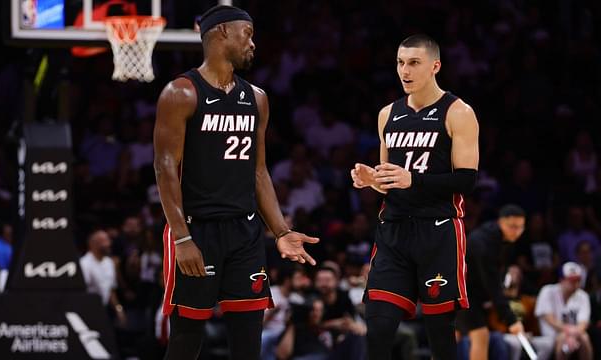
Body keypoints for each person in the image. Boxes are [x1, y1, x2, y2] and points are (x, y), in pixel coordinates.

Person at [153, 5, 319, 360]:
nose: (253, 43)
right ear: (222, 32)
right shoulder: (181, 92)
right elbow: (164, 168)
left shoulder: (257, 98)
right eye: (248, 33)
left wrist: (282, 230)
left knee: (248, 343)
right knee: (186, 339)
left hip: (245, 233)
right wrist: (181, 238)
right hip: (197, 230)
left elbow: (259, 171)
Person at [350, 34, 479, 360]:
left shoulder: (458, 112)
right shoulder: (387, 114)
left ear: (435, 66)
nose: (404, 70)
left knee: (440, 337)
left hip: (438, 230)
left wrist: (413, 180)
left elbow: (467, 180)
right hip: (394, 231)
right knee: (377, 328)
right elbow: (390, 180)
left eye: (413, 63)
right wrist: (372, 181)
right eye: (400, 62)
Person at [455, 204, 526, 359]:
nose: (517, 232)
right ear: (501, 222)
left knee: (451, 337)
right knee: (480, 335)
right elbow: (492, 284)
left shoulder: (503, 240)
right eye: (513, 226)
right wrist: (511, 319)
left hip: (469, 291)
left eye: (521, 227)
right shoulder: (484, 244)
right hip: (459, 290)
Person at [535, 262, 593, 360]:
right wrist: (569, 332)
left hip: (575, 333)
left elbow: (583, 323)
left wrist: (573, 334)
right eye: (571, 280)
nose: (576, 284)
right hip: (551, 334)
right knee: (563, 338)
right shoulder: (547, 291)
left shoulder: (583, 296)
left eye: (578, 280)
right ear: (561, 280)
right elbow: (550, 319)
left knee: (584, 337)